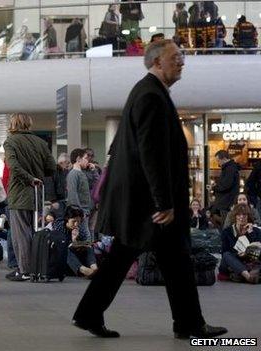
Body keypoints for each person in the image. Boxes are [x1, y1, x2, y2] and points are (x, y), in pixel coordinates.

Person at [72, 40, 227, 339]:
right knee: (167, 259)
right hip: (151, 205)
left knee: (156, 259)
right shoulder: (150, 96)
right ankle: (188, 324)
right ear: (157, 62)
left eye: (182, 57)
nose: (181, 62)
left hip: (143, 203)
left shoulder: (148, 92)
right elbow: (151, 154)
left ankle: (92, 313)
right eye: (175, 57)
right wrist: (164, 202)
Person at [3, 113, 57, 281]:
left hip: (19, 193)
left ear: (13, 124)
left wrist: (29, 179)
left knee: (21, 234)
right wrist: (37, 175)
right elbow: (51, 167)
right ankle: (38, 268)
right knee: (36, 232)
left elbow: (13, 166)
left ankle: (25, 270)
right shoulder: (41, 142)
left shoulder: (10, 141)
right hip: (38, 195)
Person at [219, 204, 261, 284]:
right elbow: (224, 252)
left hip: (250, 261)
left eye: (244, 215)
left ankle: (245, 274)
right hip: (232, 262)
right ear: (235, 216)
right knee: (227, 255)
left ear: (248, 216)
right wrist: (238, 254)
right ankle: (248, 277)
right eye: (238, 215)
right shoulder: (227, 232)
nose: (241, 217)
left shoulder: (255, 231)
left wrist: (251, 233)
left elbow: (258, 250)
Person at [53, 206, 98, 278]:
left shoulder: (80, 227)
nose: (76, 224)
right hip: (62, 259)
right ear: (67, 219)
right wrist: (74, 240)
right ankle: (84, 270)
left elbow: (87, 242)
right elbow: (60, 245)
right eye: (74, 221)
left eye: (78, 221)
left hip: (76, 254)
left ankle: (94, 268)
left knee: (89, 247)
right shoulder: (59, 226)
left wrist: (77, 242)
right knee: (65, 250)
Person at [67, 148, 94, 242]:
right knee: (85, 238)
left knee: (86, 238)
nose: (88, 161)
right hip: (80, 213)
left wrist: (93, 170)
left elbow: (95, 183)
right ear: (78, 159)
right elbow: (72, 194)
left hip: (85, 211)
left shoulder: (82, 173)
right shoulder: (73, 174)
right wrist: (78, 212)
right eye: (85, 158)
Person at [212, 150, 240, 223]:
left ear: (224, 158)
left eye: (218, 161)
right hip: (226, 202)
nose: (218, 163)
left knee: (225, 225)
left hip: (225, 203)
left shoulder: (230, 168)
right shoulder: (229, 167)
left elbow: (226, 185)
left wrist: (214, 187)